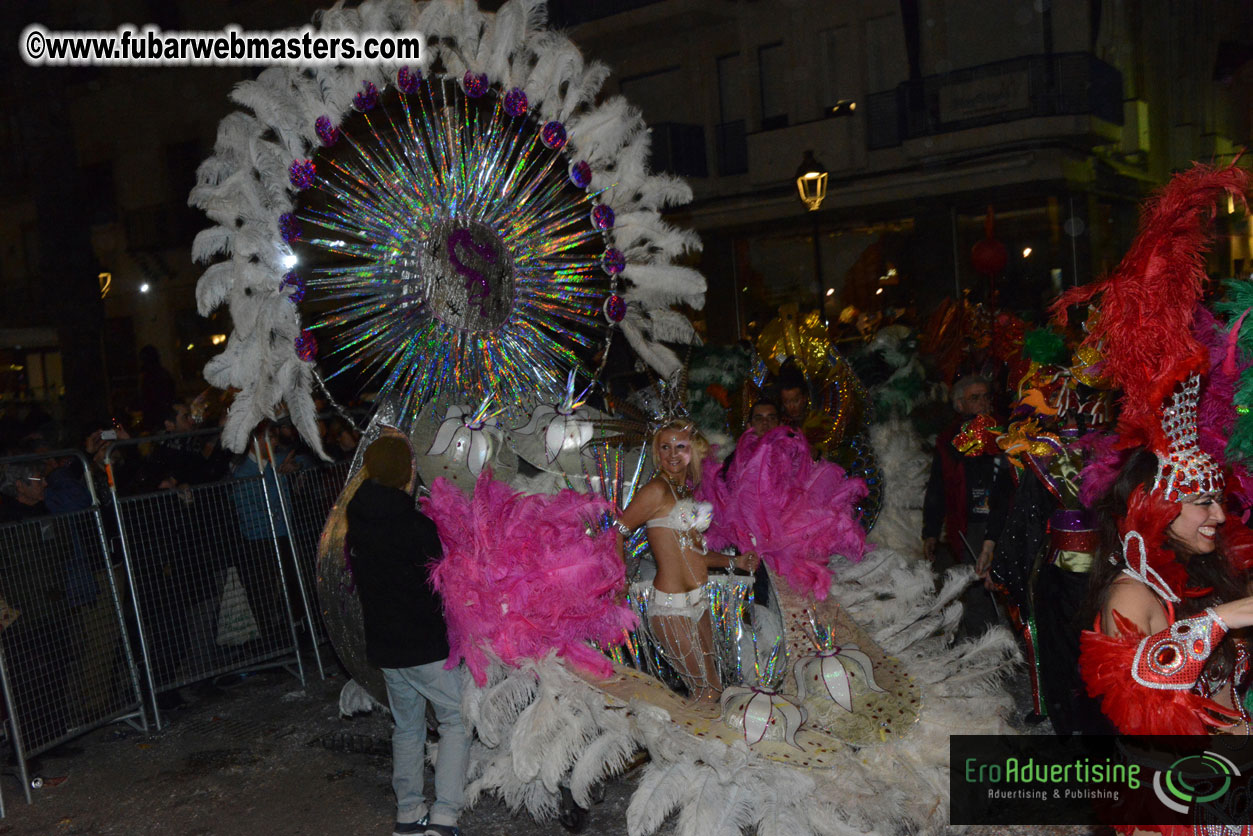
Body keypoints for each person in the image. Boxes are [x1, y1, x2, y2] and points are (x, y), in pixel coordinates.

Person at [348, 436, 469, 836]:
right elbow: (440, 583)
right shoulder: (415, 525)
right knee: (455, 721)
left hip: (386, 646)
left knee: (408, 727)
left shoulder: (357, 515)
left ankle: (408, 814)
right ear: (405, 471)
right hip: (423, 645)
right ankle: (445, 817)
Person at [615, 419, 758, 705]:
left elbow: (695, 554)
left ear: (692, 450)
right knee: (706, 691)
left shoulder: (686, 493)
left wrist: (737, 562)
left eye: (680, 446)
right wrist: (620, 581)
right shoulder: (656, 490)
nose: (672, 454)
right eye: (665, 447)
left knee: (714, 688)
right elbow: (617, 532)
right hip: (671, 607)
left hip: (698, 601)